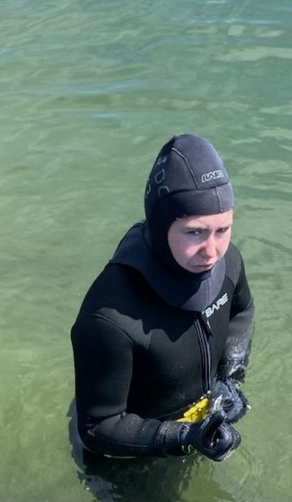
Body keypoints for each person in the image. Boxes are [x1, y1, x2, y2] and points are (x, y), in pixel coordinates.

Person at [70, 133, 255, 462]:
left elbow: (242, 311)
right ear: (159, 225)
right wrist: (184, 436)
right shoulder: (109, 317)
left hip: (197, 430)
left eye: (222, 230)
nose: (212, 251)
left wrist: (231, 377)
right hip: (126, 458)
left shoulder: (229, 264)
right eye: (194, 232)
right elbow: (98, 428)